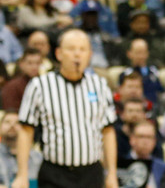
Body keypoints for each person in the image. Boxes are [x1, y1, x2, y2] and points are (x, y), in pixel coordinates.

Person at [14, 29, 118, 188]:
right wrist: (22, 174)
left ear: (90, 55)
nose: (77, 54)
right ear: (59, 53)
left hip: (91, 173)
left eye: (82, 49)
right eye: (71, 49)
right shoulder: (40, 85)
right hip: (54, 173)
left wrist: (111, 173)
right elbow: (26, 130)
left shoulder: (100, 85)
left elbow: (108, 131)